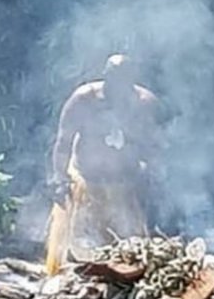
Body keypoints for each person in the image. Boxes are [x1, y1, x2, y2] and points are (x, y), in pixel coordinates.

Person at [45, 54, 164, 271]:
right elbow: (63, 141)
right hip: (85, 180)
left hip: (125, 183)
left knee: (128, 250)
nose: (118, 89)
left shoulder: (145, 104)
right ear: (105, 77)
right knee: (78, 251)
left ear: (132, 81)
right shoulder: (84, 99)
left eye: (124, 82)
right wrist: (60, 178)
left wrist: (153, 174)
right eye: (114, 81)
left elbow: (153, 145)